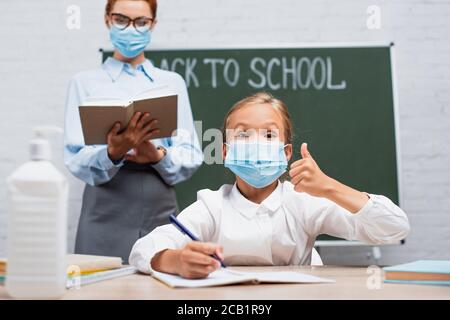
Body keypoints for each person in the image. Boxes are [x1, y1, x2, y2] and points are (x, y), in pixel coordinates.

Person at [129, 92, 410, 279]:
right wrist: (175, 260)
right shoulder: (212, 206)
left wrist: (330, 187)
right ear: (225, 152)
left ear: (286, 153)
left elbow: (394, 227)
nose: (255, 142)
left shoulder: (304, 202)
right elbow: (143, 249)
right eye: (242, 134)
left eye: (268, 134)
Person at [64, 0, 202, 263]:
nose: (131, 29)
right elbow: (74, 156)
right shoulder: (84, 83)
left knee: (161, 284)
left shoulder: (172, 82)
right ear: (107, 19)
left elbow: (191, 153)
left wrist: (157, 154)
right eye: (121, 20)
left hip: (158, 205)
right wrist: (112, 153)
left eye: (140, 22)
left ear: (153, 25)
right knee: (98, 287)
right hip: (103, 207)